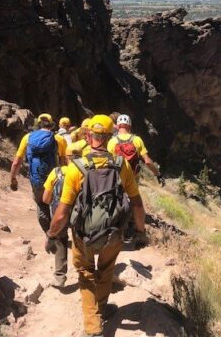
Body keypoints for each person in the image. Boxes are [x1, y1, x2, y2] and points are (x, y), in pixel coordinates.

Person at [47, 115, 148, 337]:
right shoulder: (122, 166)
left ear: (88, 135)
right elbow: (137, 204)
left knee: (85, 274)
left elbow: (61, 213)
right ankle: (100, 309)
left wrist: (52, 235)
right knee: (105, 271)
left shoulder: (76, 169)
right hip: (114, 232)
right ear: (110, 137)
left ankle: (93, 328)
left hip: (84, 235)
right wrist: (141, 232)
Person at [10, 113, 59, 240]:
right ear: (51, 124)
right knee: (57, 205)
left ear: (38, 124)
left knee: (42, 205)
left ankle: (49, 234)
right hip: (55, 179)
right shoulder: (57, 139)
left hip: (37, 178)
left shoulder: (28, 137)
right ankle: (59, 233)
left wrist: (13, 178)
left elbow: (17, 162)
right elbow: (65, 160)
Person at [42, 146, 77, 288]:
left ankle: (60, 277)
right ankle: (86, 272)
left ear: (65, 157)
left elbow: (45, 199)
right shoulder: (85, 172)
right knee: (80, 241)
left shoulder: (56, 172)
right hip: (78, 213)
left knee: (61, 241)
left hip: (59, 212)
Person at [108, 114, 165, 186]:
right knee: (134, 196)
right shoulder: (137, 139)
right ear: (129, 126)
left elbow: (107, 162)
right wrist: (158, 174)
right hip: (133, 178)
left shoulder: (112, 141)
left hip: (118, 179)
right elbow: (147, 161)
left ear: (118, 126)